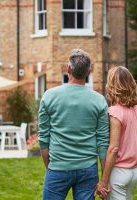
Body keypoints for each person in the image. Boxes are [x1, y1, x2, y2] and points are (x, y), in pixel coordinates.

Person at [38, 49, 110, 200]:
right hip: (87, 170)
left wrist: (50, 167)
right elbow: (103, 142)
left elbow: (43, 139)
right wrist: (104, 180)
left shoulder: (49, 96)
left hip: (58, 167)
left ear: (68, 69)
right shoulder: (99, 100)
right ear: (89, 72)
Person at [95, 66, 137, 200]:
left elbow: (113, 148)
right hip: (135, 172)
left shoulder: (114, 112)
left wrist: (104, 181)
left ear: (111, 86)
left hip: (119, 173)